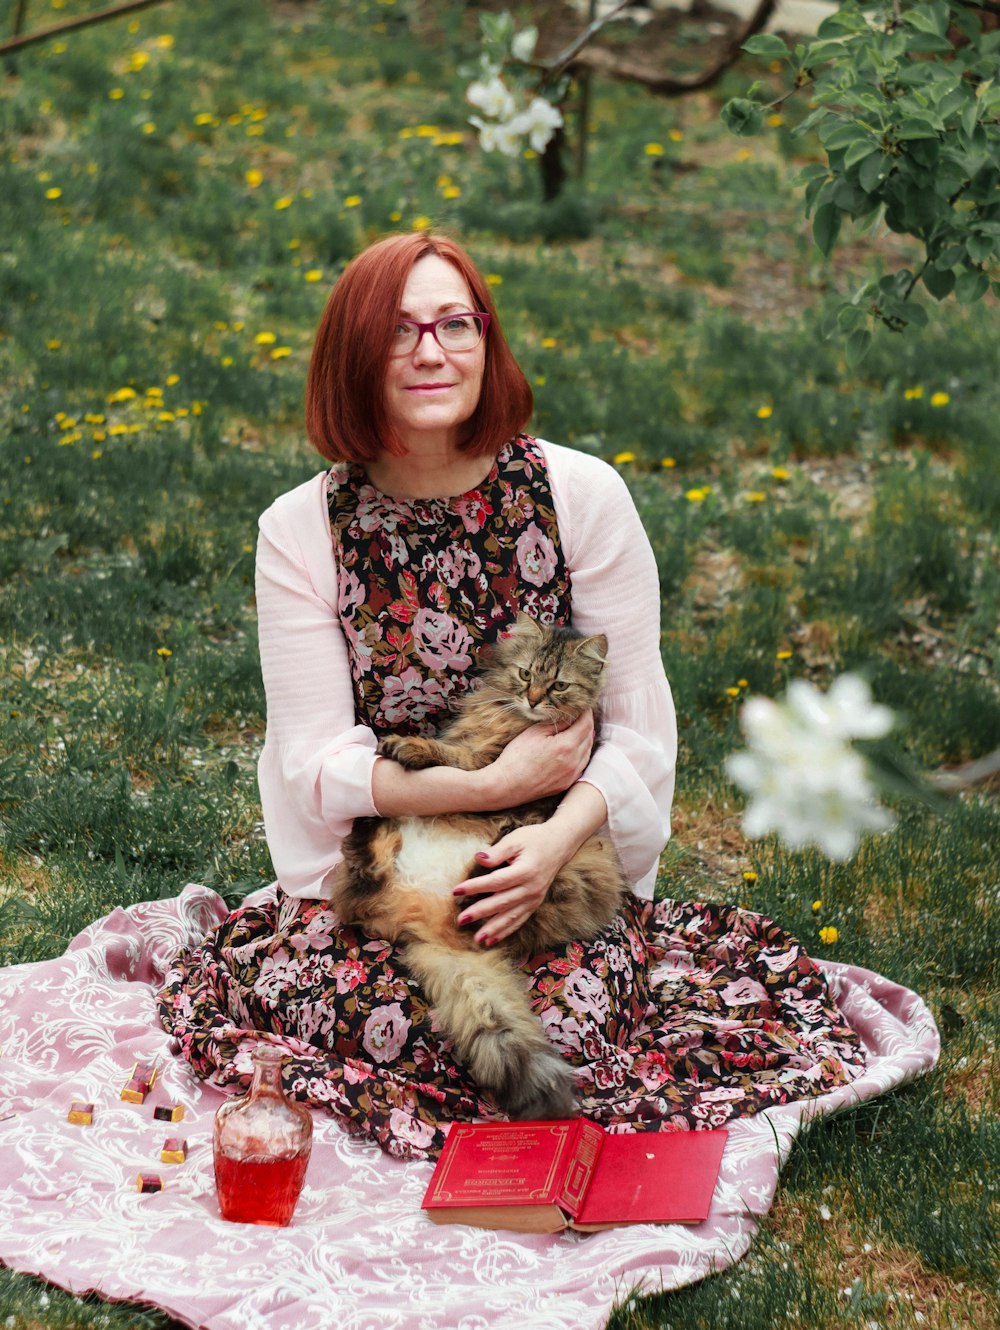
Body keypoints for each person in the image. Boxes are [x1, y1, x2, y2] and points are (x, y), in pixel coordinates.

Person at [158, 232, 866, 1160]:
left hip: (553, 857)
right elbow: (316, 764)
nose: (431, 350)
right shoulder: (299, 531)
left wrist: (550, 842)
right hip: (391, 864)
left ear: (486, 343)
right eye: (399, 330)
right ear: (351, 359)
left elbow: (643, 732)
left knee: (561, 1034)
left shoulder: (580, 495)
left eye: (456, 323)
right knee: (397, 1030)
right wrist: (484, 791)